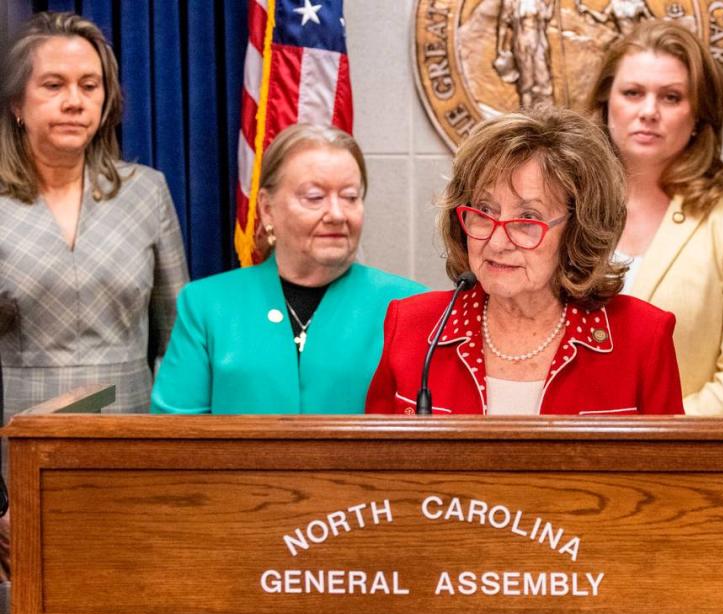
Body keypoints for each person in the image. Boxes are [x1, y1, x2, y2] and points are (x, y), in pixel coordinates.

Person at [366, 107, 683, 416]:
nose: (497, 241)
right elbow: (377, 465)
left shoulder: (642, 338)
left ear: (578, 230)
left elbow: (672, 468)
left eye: (528, 219)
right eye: (485, 211)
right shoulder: (412, 328)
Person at [585, 20, 723, 416]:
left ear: (698, 115)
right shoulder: (568, 209)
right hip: (561, 458)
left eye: (671, 97)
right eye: (632, 93)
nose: (648, 111)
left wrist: (644, 441)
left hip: (686, 464)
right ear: (605, 103)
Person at [151, 124, 425, 414]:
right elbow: (175, 435)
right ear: (267, 209)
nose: (336, 214)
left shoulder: (411, 307)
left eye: (350, 196)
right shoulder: (206, 304)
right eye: (314, 197)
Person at [0, 12, 188, 421]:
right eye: (53, 85)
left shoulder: (146, 192)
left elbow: (176, 340)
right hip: (19, 432)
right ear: (17, 102)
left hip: (129, 429)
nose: (74, 101)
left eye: (89, 86)